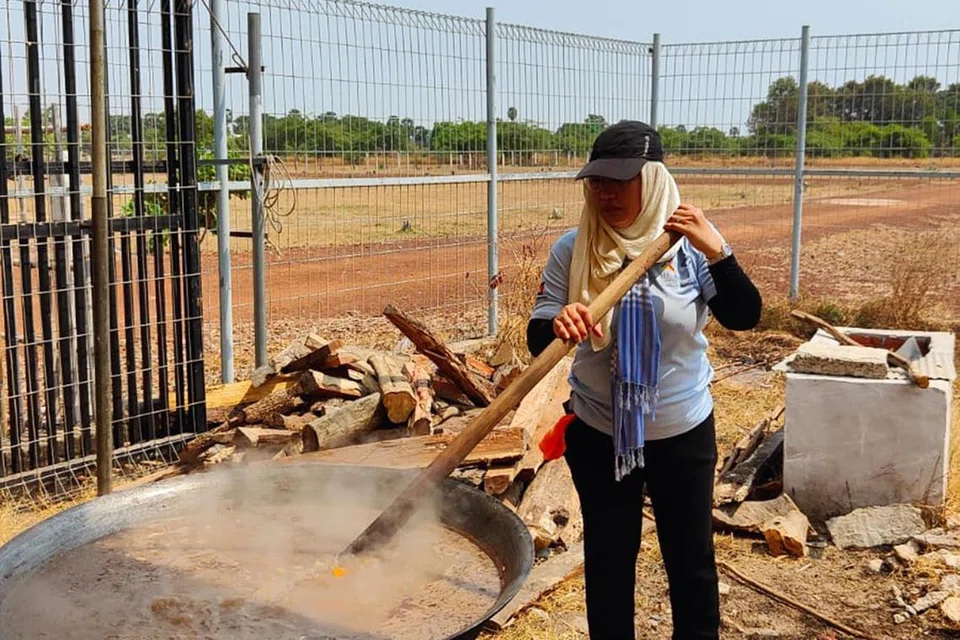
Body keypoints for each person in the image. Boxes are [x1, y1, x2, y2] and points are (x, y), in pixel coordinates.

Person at [526, 120, 763, 640]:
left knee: (690, 560)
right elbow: (537, 337)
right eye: (596, 181)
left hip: (682, 432)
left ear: (653, 179)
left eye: (621, 179)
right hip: (599, 432)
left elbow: (745, 316)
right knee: (609, 563)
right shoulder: (574, 248)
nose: (605, 192)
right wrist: (559, 322)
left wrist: (720, 253)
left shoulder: (690, 245)